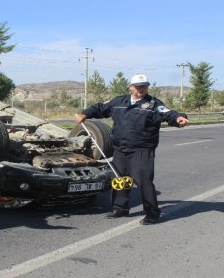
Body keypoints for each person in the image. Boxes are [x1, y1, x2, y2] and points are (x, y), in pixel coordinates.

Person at [75, 74, 189, 225]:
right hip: (120, 149)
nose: (141, 89)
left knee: (144, 182)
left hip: (141, 150)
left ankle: (152, 213)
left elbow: (168, 113)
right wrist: (85, 113)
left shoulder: (153, 104)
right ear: (131, 87)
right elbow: (100, 108)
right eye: (138, 86)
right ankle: (120, 208)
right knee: (119, 179)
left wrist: (179, 118)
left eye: (144, 86)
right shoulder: (118, 102)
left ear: (147, 87)